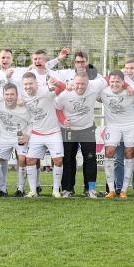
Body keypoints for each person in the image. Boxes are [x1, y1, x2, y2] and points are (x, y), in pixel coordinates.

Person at [54, 70, 108, 198]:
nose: (80, 86)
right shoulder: (65, 95)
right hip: (69, 130)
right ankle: (67, 189)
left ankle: (90, 189)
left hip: (87, 129)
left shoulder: (95, 86)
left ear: (88, 83)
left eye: (83, 84)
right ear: (73, 82)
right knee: (68, 159)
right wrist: (63, 120)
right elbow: (57, 108)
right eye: (77, 83)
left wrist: (127, 86)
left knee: (90, 158)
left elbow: (110, 77)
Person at [96, 70, 134, 199]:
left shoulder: (132, 91)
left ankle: (124, 190)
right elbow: (91, 89)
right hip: (113, 126)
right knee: (109, 153)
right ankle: (111, 190)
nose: (114, 84)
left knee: (129, 154)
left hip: (131, 126)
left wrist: (128, 86)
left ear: (123, 82)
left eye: (118, 81)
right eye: (112, 81)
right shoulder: (103, 91)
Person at [21, 71, 66, 198]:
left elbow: (62, 88)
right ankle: (33, 191)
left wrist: (56, 82)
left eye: (30, 83)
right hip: (36, 133)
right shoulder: (23, 96)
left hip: (53, 132)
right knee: (29, 160)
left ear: (36, 83)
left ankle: (56, 190)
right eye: (25, 84)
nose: (28, 86)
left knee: (58, 160)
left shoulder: (46, 91)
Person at [0, 83, 30, 196]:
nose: (9, 97)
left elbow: (32, 122)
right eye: (7, 94)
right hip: (4, 138)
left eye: (12, 94)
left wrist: (27, 135)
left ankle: (20, 189)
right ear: (3, 95)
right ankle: (2, 190)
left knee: (22, 159)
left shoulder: (24, 108)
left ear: (17, 95)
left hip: (20, 138)